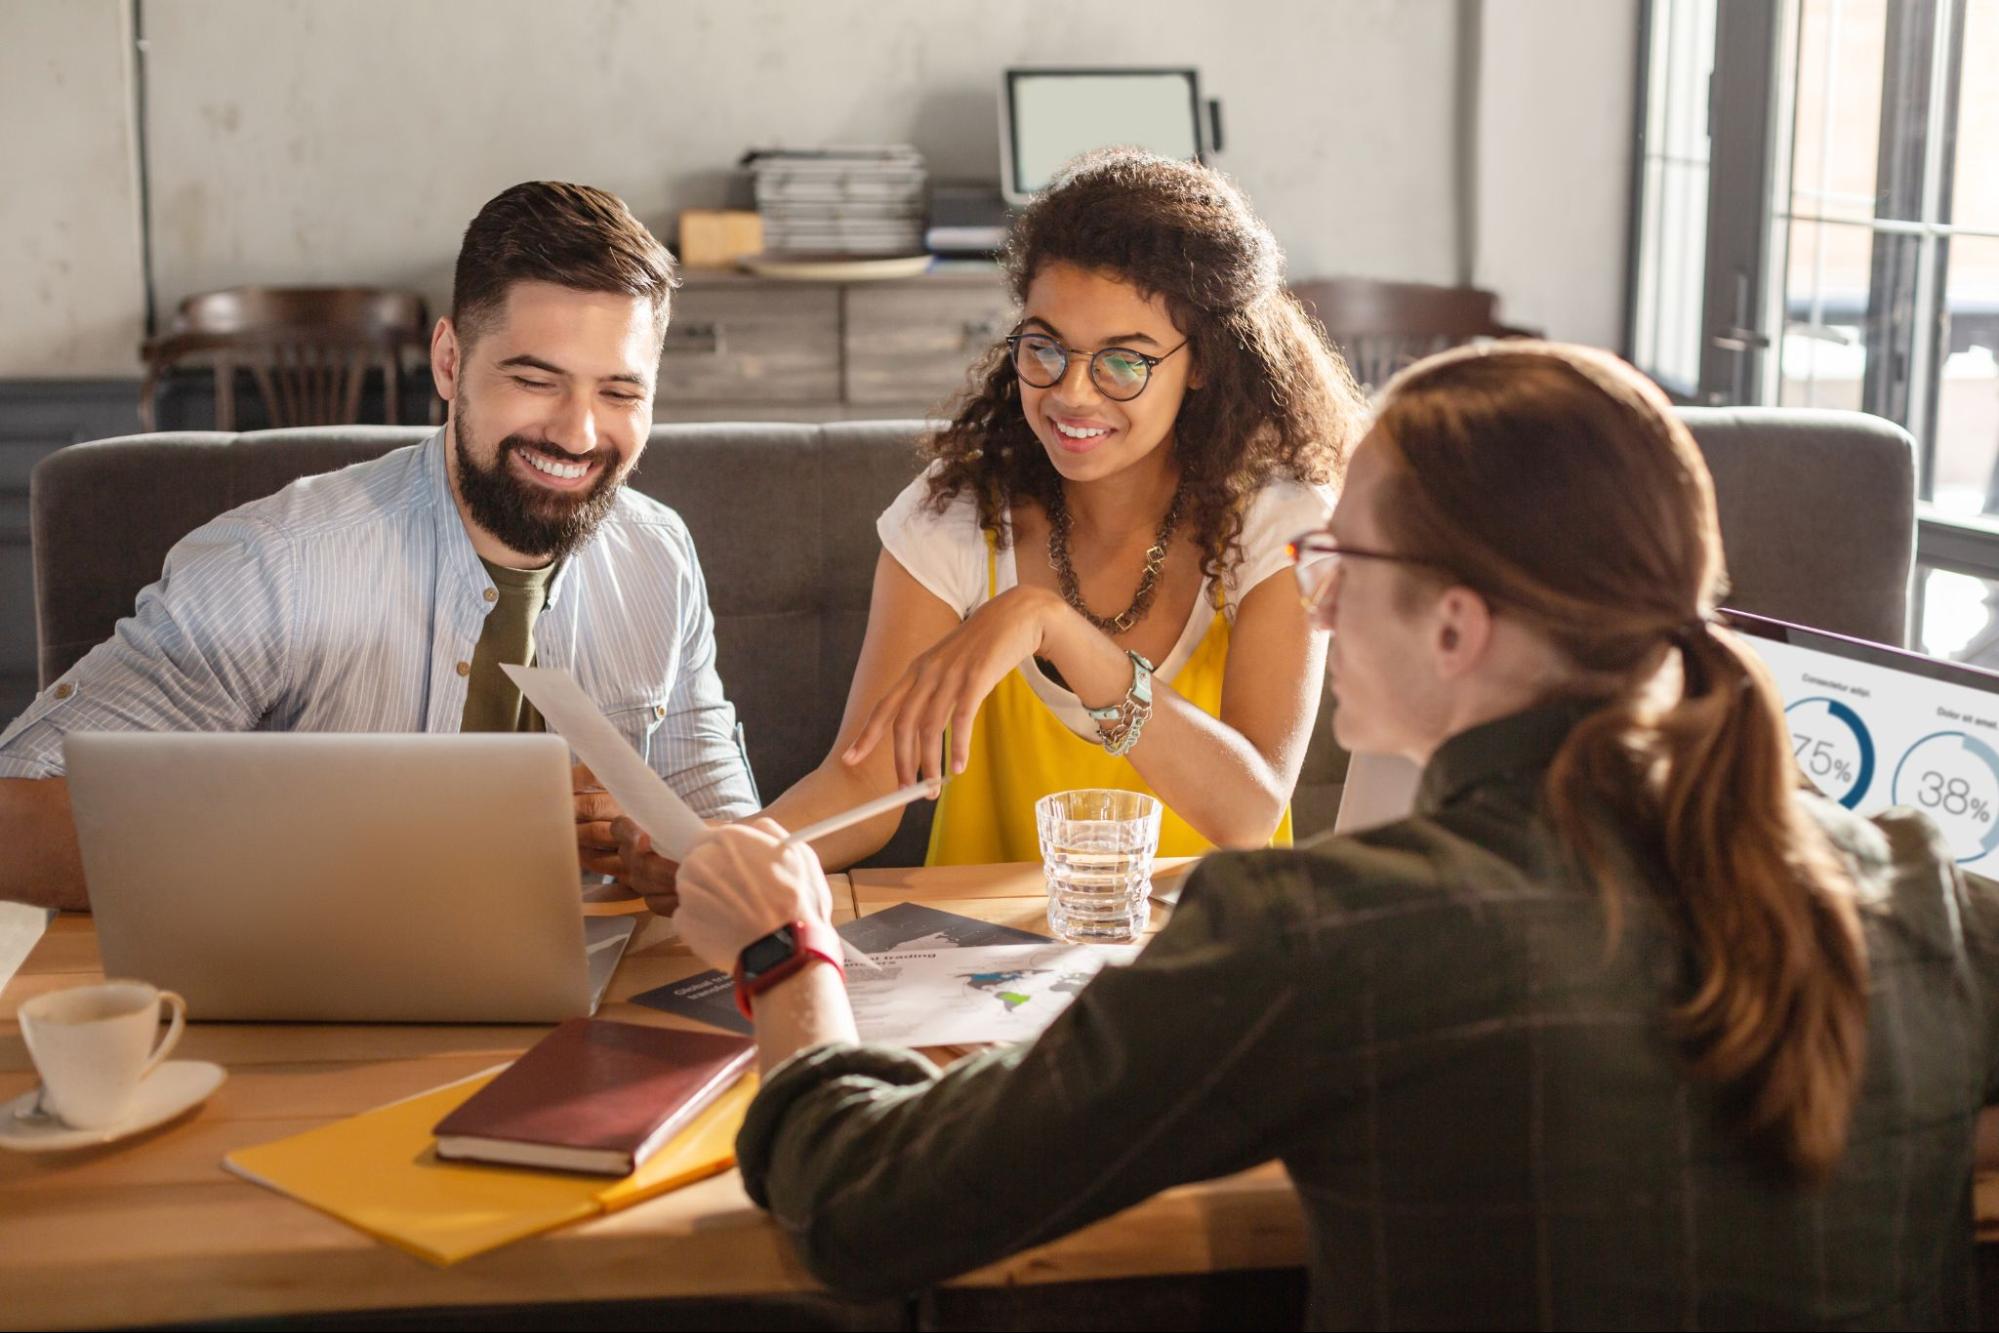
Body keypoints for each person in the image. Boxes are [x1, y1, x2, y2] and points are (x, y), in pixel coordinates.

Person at [669, 342, 1999, 1327]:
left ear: (1454, 625)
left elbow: (865, 1209)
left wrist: (785, 956)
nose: (1308, 609)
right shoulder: (1912, 886)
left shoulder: (1330, 928)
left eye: (1337, 567)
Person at [615, 150, 1363, 889]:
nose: (1072, 393)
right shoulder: (957, 514)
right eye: (1044, 347)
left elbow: (1248, 811)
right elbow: (865, 789)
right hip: (977, 965)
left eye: (1123, 362)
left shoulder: (1275, 519)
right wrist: (724, 851)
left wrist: (1052, 625)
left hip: (1205, 954)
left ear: (1201, 362)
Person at [0, 181, 757, 911]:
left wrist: (696, 861)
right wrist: (452, 823)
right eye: (536, 380)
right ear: (449, 362)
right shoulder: (279, 563)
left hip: (592, 1004)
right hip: (311, 1004)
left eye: (619, 393)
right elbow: (17, 825)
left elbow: (711, 801)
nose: (578, 433)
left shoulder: (658, 553)